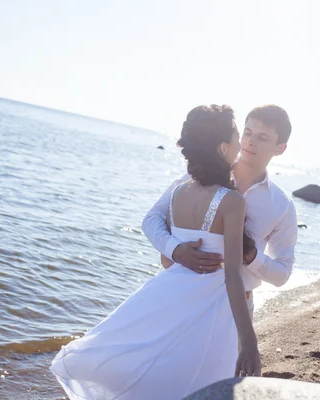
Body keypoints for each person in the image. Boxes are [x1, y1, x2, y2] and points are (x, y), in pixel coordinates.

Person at [50, 105, 260, 400]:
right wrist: (249, 340)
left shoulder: (178, 193)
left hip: (168, 295)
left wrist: (175, 253)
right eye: (238, 136)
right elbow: (232, 276)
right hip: (210, 308)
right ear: (223, 147)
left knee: (154, 365)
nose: (241, 144)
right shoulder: (233, 201)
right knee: (204, 380)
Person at [143, 104, 298, 319]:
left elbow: (282, 274)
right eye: (248, 132)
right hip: (184, 298)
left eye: (262, 137)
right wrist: (175, 249)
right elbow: (152, 219)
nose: (250, 142)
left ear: (280, 148)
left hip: (235, 313)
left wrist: (251, 255)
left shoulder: (282, 206)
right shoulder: (199, 176)